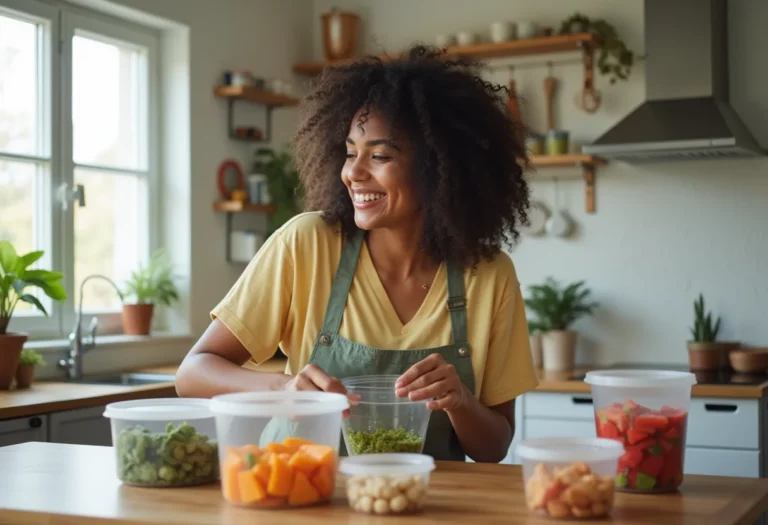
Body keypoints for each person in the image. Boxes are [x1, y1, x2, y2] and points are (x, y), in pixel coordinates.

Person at [176, 45, 539, 463]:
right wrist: (284, 387)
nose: (353, 172)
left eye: (380, 156)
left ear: (442, 168)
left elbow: (494, 448)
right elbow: (193, 374)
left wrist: (460, 402)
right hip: (301, 486)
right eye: (351, 153)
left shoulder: (488, 274)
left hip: (422, 495)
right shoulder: (308, 244)